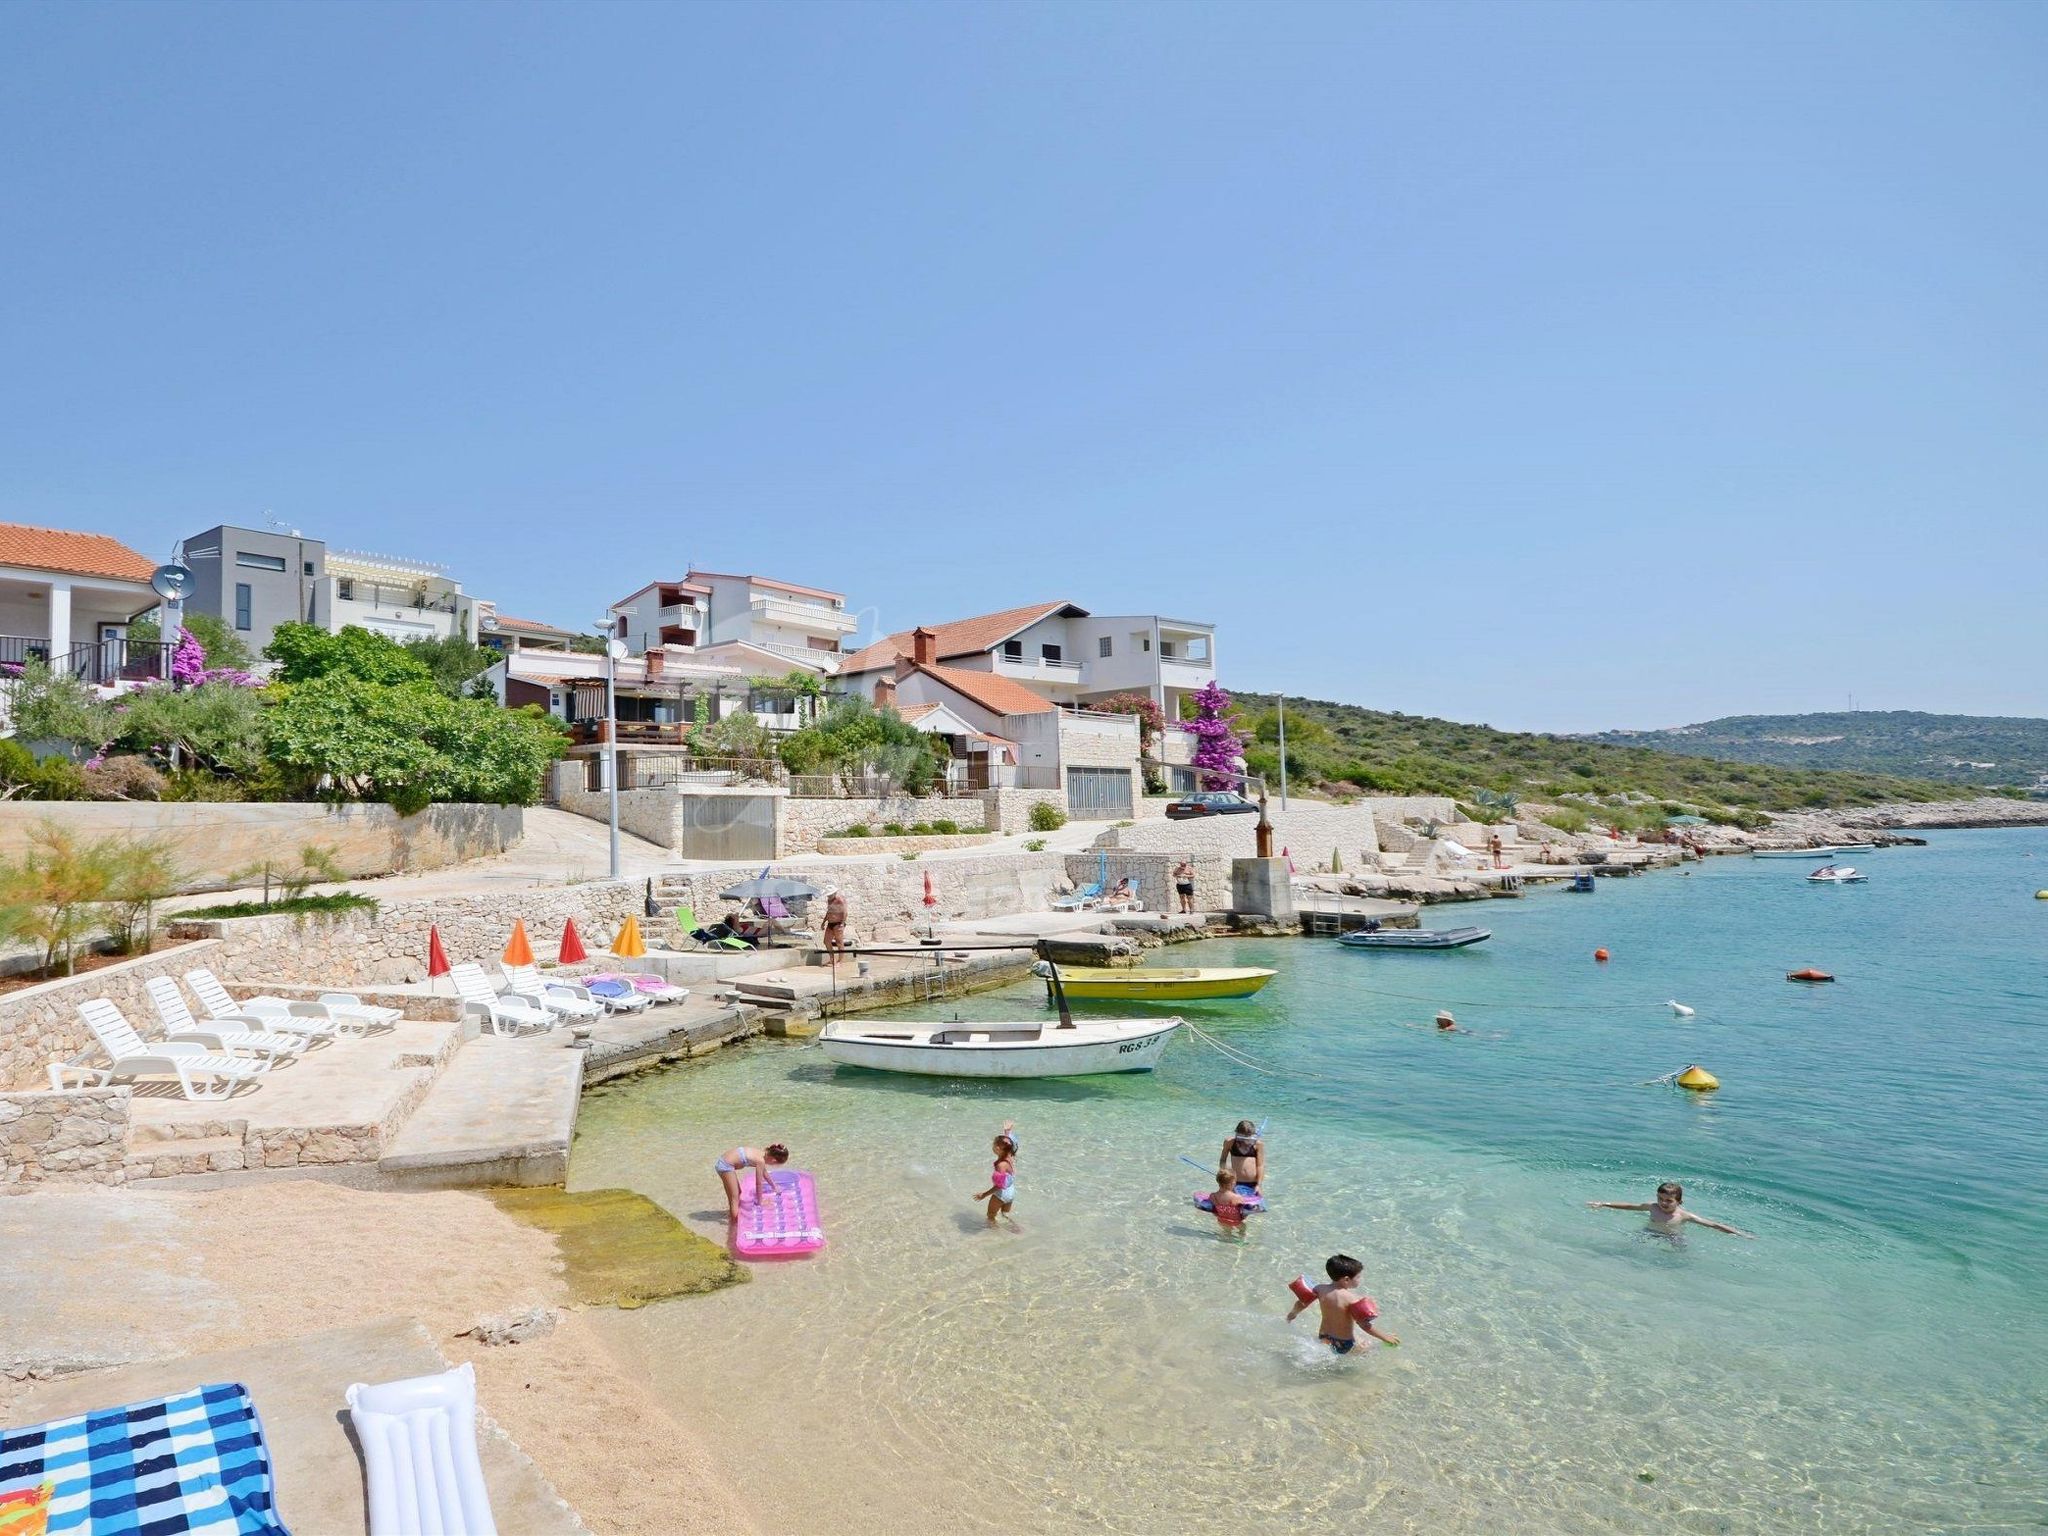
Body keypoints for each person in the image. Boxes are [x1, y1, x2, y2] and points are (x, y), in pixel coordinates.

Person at [1287, 1254, 1400, 1354]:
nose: (1360, 1279)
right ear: (1346, 1279)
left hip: (1324, 1336)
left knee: (1356, 1340)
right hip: (1344, 1343)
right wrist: (1385, 1337)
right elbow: (1364, 1325)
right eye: (1358, 1277)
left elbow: (1303, 1302)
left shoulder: (1320, 1289)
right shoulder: (1352, 1299)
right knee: (1368, 1349)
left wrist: (1293, 1314)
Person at [1588, 1181, 1754, 1239]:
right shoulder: (1652, 1207)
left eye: (1668, 1201)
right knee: (1633, 1243)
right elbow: (1630, 1206)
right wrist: (1604, 1203)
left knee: (1680, 1253)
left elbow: (1713, 1225)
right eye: (1660, 1199)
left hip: (1672, 1235)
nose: (1663, 1203)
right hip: (1650, 1230)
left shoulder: (1684, 1215)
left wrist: (1739, 1234)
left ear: (1679, 1202)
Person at [715, 1142, 790, 1222]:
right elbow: (758, 1183)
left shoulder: (761, 1154)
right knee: (734, 1197)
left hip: (725, 1162)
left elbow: (764, 1173)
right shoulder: (760, 1161)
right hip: (725, 1166)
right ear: (773, 1160)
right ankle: (734, 1223)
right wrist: (760, 1201)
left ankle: (733, 1213)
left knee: (738, 1193)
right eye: (774, 1164)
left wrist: (774, 1186)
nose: (772, 1165)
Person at [972, 1121, 1019, 1229]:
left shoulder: (1001, 1165)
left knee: (991, 1215)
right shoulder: (1010, 1156)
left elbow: (999, 1186)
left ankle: (996, 1234)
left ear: (997, 1148)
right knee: (1005, 1215)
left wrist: (984, 1195)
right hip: (1011, 1193)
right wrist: (1007, 1132)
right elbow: (1009, 1143)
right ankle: (1017, 1230)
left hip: (1000, 1195)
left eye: (993, 1145)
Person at [1219, 1119, 1264, 1197]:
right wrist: (1224, 1176)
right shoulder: (1230, 1142)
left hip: (1253, 1183)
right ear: (1237, 1134)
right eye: (1242, 1138)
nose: (1244, 1142)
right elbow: (1223, 1160)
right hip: (1233, 1182)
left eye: (1248, 1139)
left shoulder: (1258, 1144)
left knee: (1254, 1207)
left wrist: (1258, 1185)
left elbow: (1260, 1165)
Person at [1207, 1171, 1249, 1238]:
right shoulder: (1236, 1197)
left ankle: (1227, 1238)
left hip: (1222, 1220)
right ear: (1230, 1184)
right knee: (1243, 1229)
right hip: (1236, 1221)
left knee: (1227, 1233)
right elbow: (1245, 1212)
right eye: (1234, 1182)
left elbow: (1213, 1210)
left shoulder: (1213, 1196)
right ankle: (1241, 1242)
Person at [822, 888, 848, 958]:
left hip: (838, 923)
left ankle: (840, 961)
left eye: (830, 895)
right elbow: (829, 911)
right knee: (826, 941)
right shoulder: (829, 900)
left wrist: (842, 924)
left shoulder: (840, 900)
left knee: (839, 942)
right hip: (830, 923)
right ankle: (832, 959)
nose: (828, 896)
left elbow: (845, 912)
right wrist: (823, 922)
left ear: (834, 893)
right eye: (828, 895)